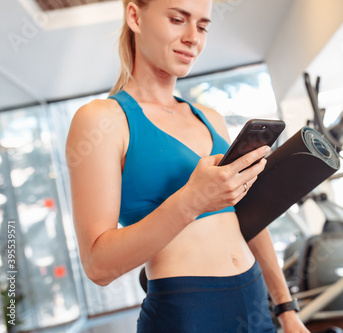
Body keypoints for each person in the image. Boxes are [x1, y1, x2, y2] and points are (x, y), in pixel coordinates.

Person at [65, 0, 310, 332]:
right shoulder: (102, 120)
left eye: (203, 26)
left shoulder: (211, 118)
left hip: (254, 299)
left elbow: (248, 217)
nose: (193, 37)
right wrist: (194, 199)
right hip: (186, 311)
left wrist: (285, 307)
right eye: (178, 19)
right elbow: (98, 266)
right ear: (135, 17)